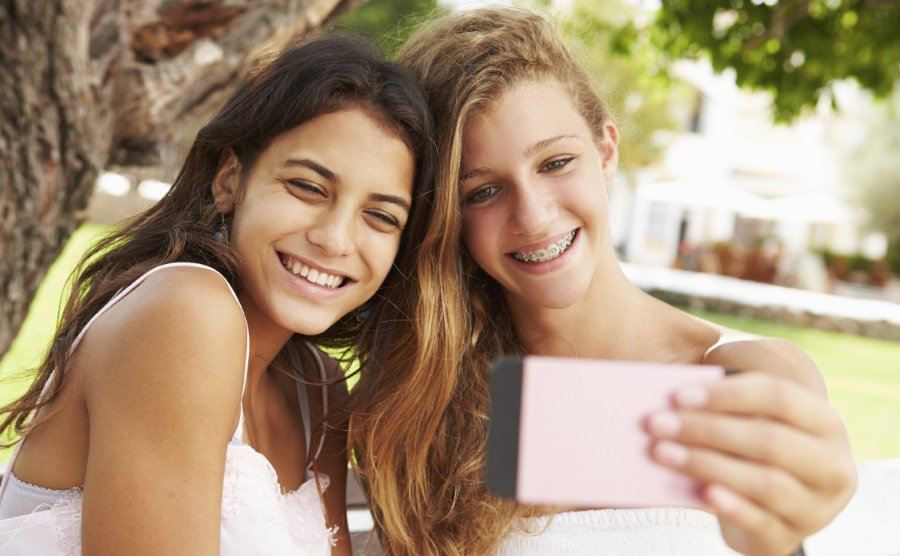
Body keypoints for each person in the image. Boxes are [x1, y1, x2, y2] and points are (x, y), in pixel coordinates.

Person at [349, 8, 856, 555]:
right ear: (449, 215)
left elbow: (782, 520)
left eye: (556, 162)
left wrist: (773, 534)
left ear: (606, 150)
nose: (535, 216)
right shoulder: (427, 406)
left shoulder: (739, 375)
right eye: (483, 191)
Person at [0, 33, 435, 555]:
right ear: (230, 180)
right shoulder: (184, 311)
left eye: (381, 216)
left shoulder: (318, 388)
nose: (335, 239)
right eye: (307, 187)